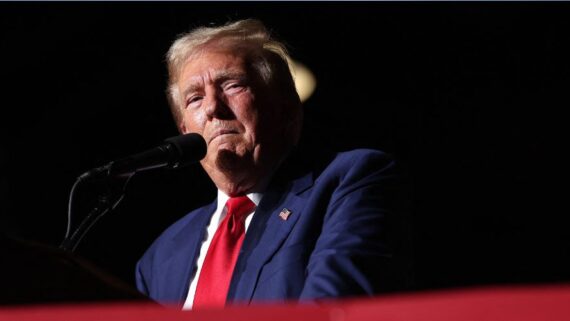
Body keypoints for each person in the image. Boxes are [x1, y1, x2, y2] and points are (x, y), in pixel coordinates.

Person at [136, 19, 410, 309]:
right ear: (183, 129)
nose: (213, 107)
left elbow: (329, 308)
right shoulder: (160, 256)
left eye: (232, 84)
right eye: (195, 98)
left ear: (285, 108)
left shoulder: (348, 183)